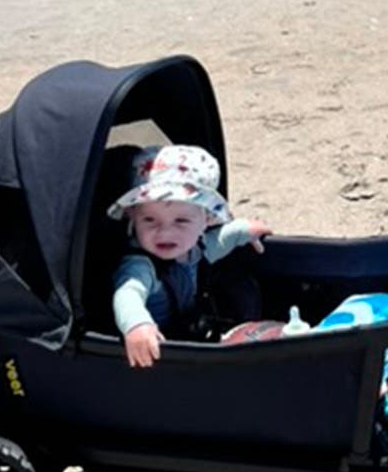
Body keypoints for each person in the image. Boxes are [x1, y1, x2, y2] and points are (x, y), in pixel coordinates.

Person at [107, 144, 270, 368]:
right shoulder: (140, 265)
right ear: (133, 218)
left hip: (186, 327)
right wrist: (136, 325)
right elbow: (128, 294)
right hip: (157, 348)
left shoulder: (193, 247)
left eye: (181, 221)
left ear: (207, 220)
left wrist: (243, 230)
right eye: (149, 220)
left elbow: (216, 243)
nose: (164, 232)